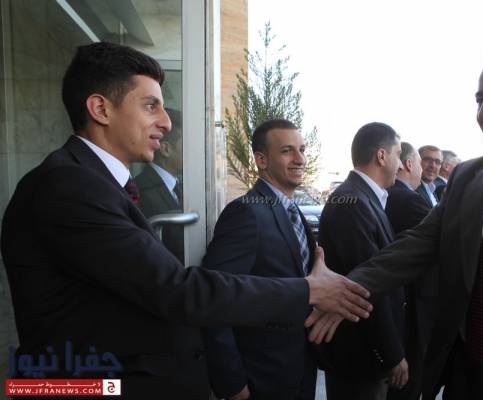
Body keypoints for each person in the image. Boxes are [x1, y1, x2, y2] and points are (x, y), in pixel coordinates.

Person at [0, 42, 371, 399]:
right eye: (151, 106)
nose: (165, 122)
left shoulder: (94, 182)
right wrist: (309, 290)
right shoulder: (69, 186)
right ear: (101, 108)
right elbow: (177, 291)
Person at [307, 45, 483, 400]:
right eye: (480, 99)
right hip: (468, 377)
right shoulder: (467, 177)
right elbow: (415, 247)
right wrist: (344, 289)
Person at [202, 119, 318, 400]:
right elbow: (214, 298)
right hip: (261, 378)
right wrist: (232, 382)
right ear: (261, 160)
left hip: (299, 370)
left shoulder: (294, 211)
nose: (300, 159)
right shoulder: (245, 213)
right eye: (287, 151)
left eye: (302, 150)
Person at [318, 122, 408, 400]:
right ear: (381, 156)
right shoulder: (352, 203)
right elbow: (367, 288)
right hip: (359, 360)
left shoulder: (364, 198)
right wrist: (392, 354)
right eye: (398, 155)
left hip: (365, 356)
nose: (401, 165)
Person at [385, 142, 436, 400]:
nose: (422, 169)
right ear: (408, 164)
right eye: (419, 163)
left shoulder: (386, 195)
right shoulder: (410, 201)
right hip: (412, 308)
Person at [135, 107, 184, 262]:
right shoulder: (139, 192)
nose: (193, 151)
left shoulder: (182, 186)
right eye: (186, 145)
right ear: (166, 149)